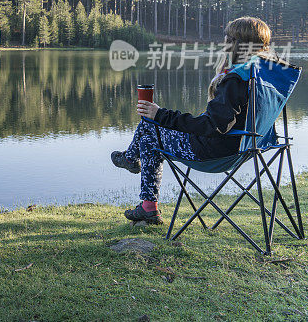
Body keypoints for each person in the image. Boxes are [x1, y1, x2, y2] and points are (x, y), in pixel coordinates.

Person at [110, 16, 275, 224]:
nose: (223, 39)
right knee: (150, 130)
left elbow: (212, 126)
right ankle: (138, 180)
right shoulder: (263, 75)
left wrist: (160, 114)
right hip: (249, 146)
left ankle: (138, 177)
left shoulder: (237, 79)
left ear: (236, 43)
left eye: (228, 36)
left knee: (149, 129)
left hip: (214, 152)